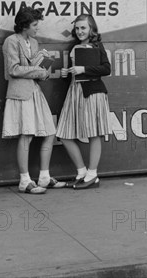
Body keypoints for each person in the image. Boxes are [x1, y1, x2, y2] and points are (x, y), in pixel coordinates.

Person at [2, 7, 65, 194]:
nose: (38, 28)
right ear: (24, 25)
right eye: (35, 25)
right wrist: (38, 70)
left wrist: (43, 67)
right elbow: (13, 69)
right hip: (20, 94)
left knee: (49, 132)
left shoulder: (34, 42)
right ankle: (24, 180)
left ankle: (44, 177)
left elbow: (32, 71)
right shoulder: (11, 41)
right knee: (26, 135)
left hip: (35, 92)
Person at [56, 14, 112, 190]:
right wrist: (68, 74)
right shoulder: (75, 47)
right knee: (64, 133)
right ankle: (81, 172)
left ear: (91, 29)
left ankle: (92, 173)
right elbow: (76, 75)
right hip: (75, 92)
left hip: (92, 93)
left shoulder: (97, 45)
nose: (80, 31)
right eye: (78, 28)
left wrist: (84, 69)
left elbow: (106, 68)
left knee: (94, 133)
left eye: (83, 28)